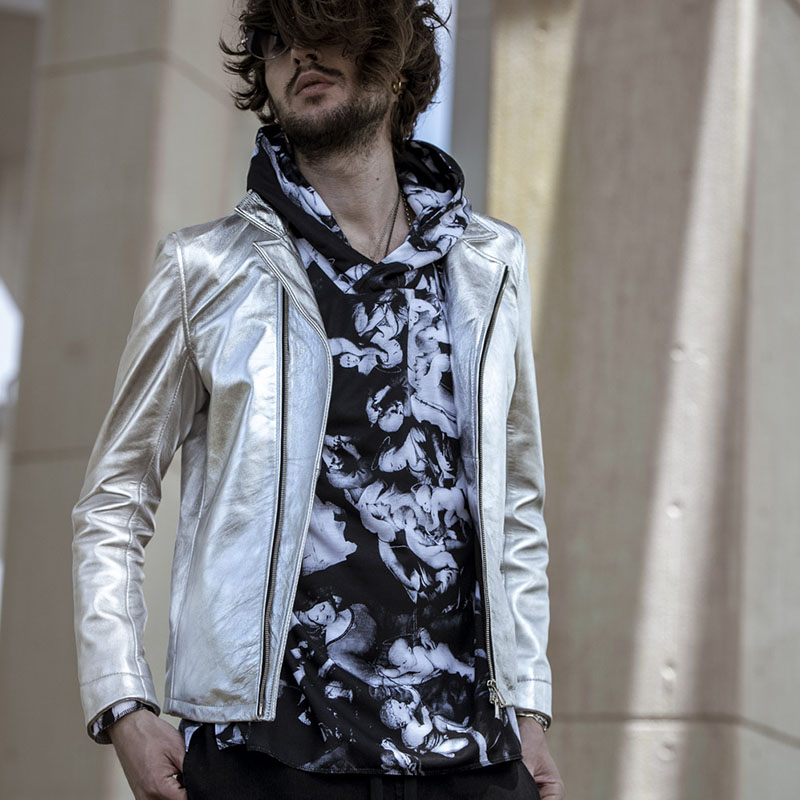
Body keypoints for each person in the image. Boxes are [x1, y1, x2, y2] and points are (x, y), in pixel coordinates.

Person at [71, 1, 565, 798]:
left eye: (324, 27)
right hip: (268, 759)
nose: (298, 52)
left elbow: (516, 506)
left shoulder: (489, 263)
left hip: (471, 756)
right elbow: (114, 499)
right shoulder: (206, 270)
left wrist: (530, 705)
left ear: (394, 63)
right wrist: (121, 701)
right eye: (276, 42)